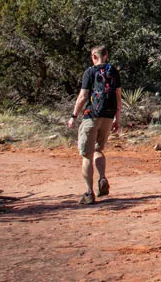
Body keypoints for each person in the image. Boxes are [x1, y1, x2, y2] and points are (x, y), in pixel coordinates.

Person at [66, 45, 121, 206]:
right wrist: (117, 119)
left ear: (94, 56)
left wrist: (73, 116)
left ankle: (89, 193)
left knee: (87, 156)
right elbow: (118, 96)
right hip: (108, 116)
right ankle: (102, 178)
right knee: (98, 149)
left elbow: (83, 96)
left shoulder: (90, 72)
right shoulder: (113, 71)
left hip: (92, 116)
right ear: (106, 55)